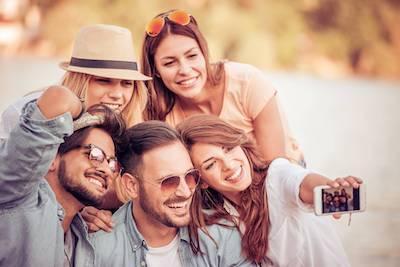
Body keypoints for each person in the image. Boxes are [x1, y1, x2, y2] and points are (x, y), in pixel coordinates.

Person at [177, 114, 363, 266]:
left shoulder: (276, 176)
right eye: (211, 164)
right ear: (201, 181)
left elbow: (302, 182)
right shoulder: (220, 215)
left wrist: (331, 188)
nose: (229, 165)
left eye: (228, 148)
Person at [141, 9, 304, 165]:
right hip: (224, 190)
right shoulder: (158, 113)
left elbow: (276, 167)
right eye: (169, 63)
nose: (185, 70)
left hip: (284, 176)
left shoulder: (247, 82)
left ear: (204, 53)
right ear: (156, 71)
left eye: (192, 56)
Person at [89, 120, 255, 267]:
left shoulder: (221, 234)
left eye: (190, 177)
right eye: (169, 181)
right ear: (132, 186)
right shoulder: (97, 250)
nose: (185, 191)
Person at [0, 86, 125, 266]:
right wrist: (85, 114)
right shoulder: (18, 194)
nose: (106, 169)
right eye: (95, 155)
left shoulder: (81, 235)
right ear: (52, 157)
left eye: (111, 163)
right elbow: (58, 98)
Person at [0, 23, 151, 140]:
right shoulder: (24, 114)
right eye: (104, 81)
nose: (117, 94)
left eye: (127, 83)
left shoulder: (129, 132)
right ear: (79, 81)